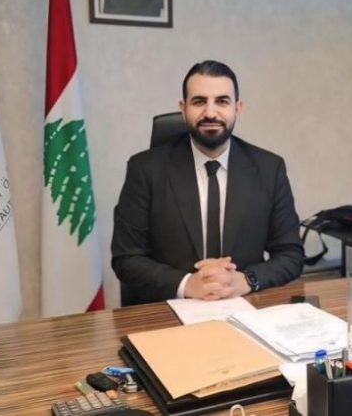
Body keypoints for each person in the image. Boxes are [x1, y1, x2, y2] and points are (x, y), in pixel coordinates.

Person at [111, 60, 304, 306]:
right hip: (169, 309)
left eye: (222, 101)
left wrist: (246, 279)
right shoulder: (145, 169)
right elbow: (126, 258)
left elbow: (291, 255)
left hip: (244, 307)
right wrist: (186, 284)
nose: (210, 113)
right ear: (183, 109)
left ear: (238, 108)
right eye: (199, 101)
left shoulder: (269, 169)